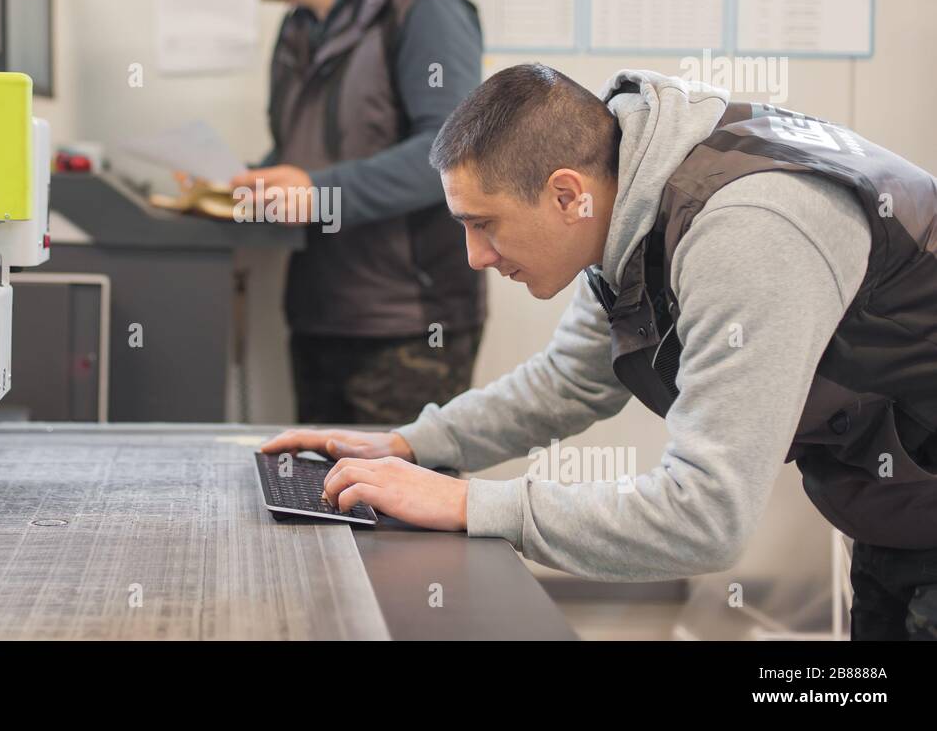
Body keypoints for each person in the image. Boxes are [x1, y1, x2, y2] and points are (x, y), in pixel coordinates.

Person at [263, 63, 937, 640]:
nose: (475, 256)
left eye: (484, 224)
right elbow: (566, 382)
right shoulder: (633, 194)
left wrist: (471, 506)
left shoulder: (745, 233)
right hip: (897, 514)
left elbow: (704, 515)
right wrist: (408, 447)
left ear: (565, 193)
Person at [224, 0, 485, 425]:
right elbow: (302, 154)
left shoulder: (420, 9)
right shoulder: (298, 29)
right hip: (319, 313)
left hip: (408, 327)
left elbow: (452, 153)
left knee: (399, 512)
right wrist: (243, 185)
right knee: (317, 502)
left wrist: (316, 192)